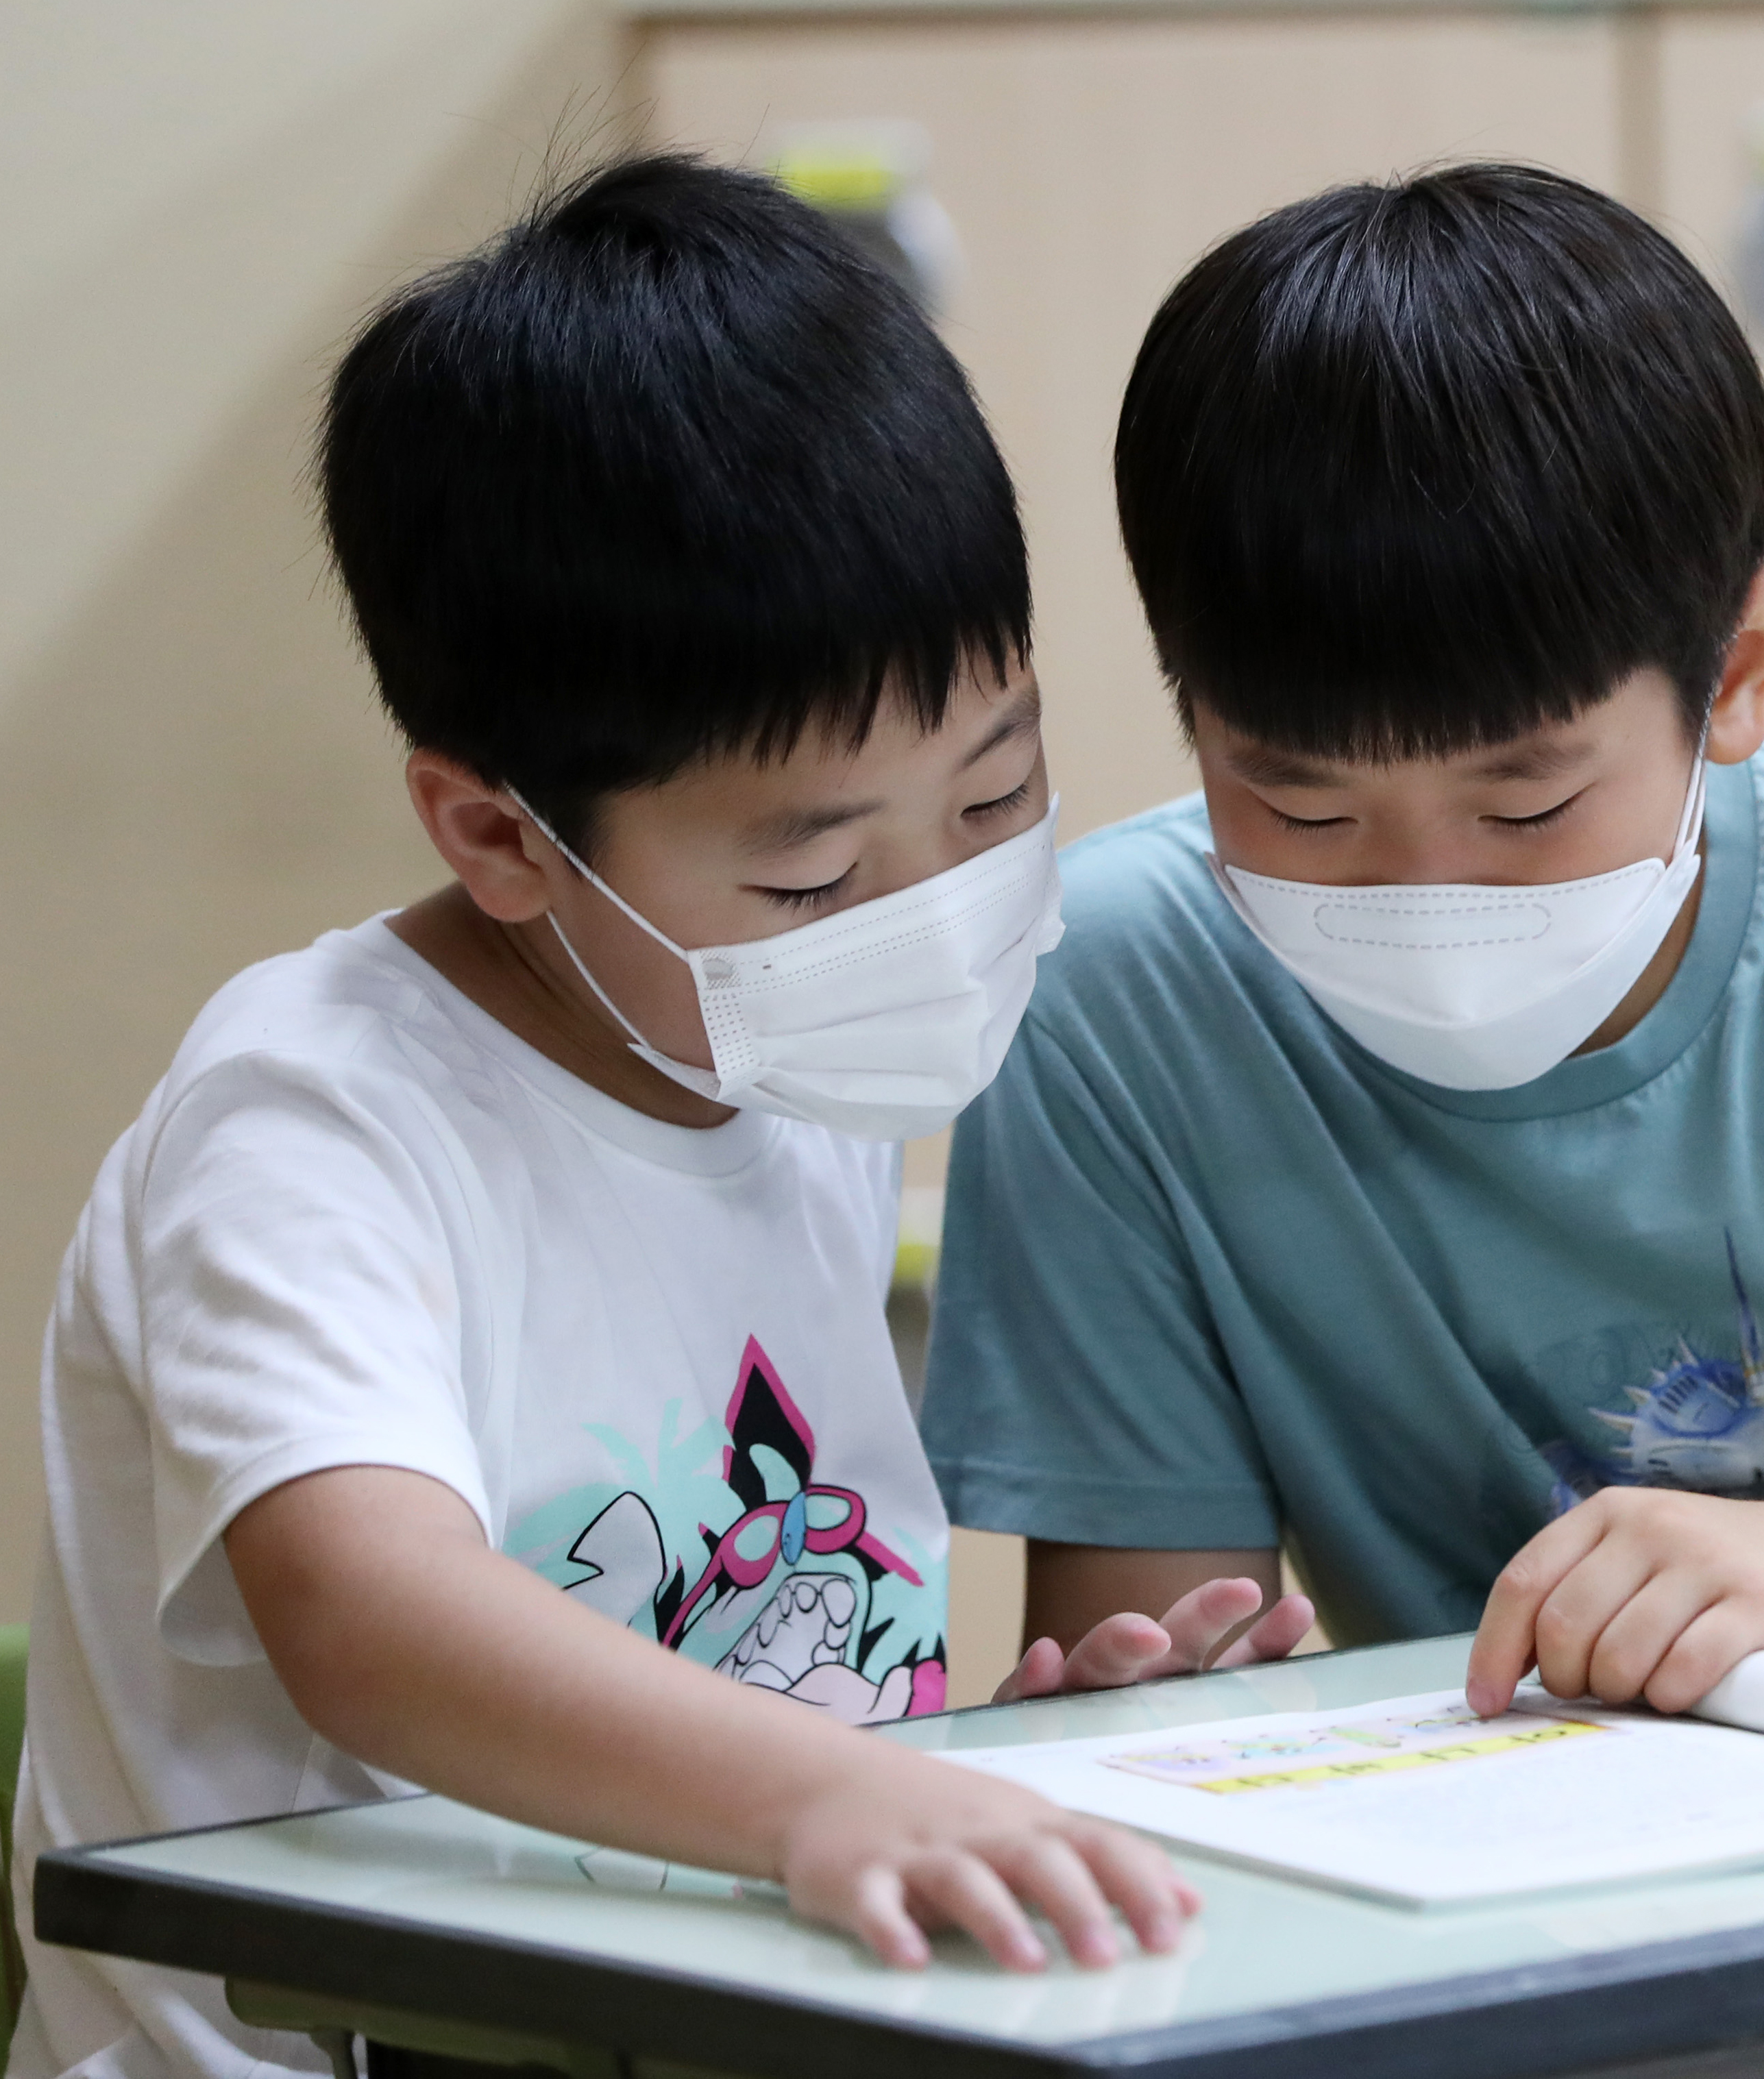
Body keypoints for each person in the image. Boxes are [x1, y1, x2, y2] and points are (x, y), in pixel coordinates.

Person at [7, 155, 1308, 2079]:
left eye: (992, 795)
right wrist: (814, 1799)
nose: (929, 917)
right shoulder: (314, 1120)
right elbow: (372, 1617)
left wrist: (1002, 1766)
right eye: (808, 883)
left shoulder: (769, 1059)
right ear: (499, 836)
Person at [920, 162, 1764, 1723]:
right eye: (1301, 812)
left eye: (1525, 805)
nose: (1422, 893)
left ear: (1739, 670)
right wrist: (1149, 1705)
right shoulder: (1114, 995)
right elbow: (1163, 1654)